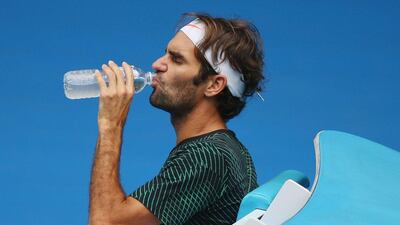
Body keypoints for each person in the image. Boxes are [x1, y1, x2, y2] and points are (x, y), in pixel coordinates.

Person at [88, 13, 265, 225]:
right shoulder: (225, 150)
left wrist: (111, 125)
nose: (157, 64)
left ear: (214, 85)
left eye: (176, 59)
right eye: (165, 54)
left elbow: (105, 221)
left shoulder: (208, 157)